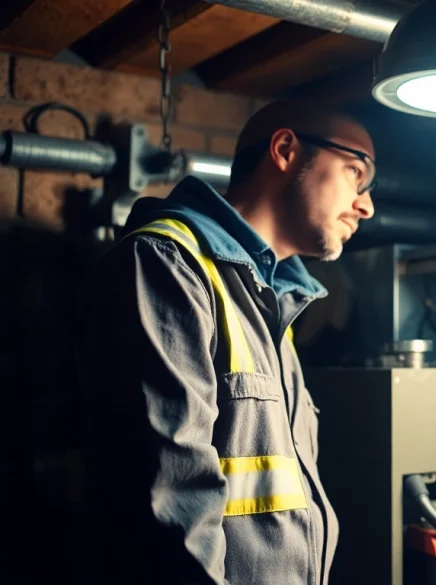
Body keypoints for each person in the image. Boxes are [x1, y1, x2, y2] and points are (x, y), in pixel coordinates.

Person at [74, 99, 376, 584]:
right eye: (354, 172)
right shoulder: (167, 265)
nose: (366, 204)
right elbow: (173, 502)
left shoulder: (276, 301)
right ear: (285, 150)